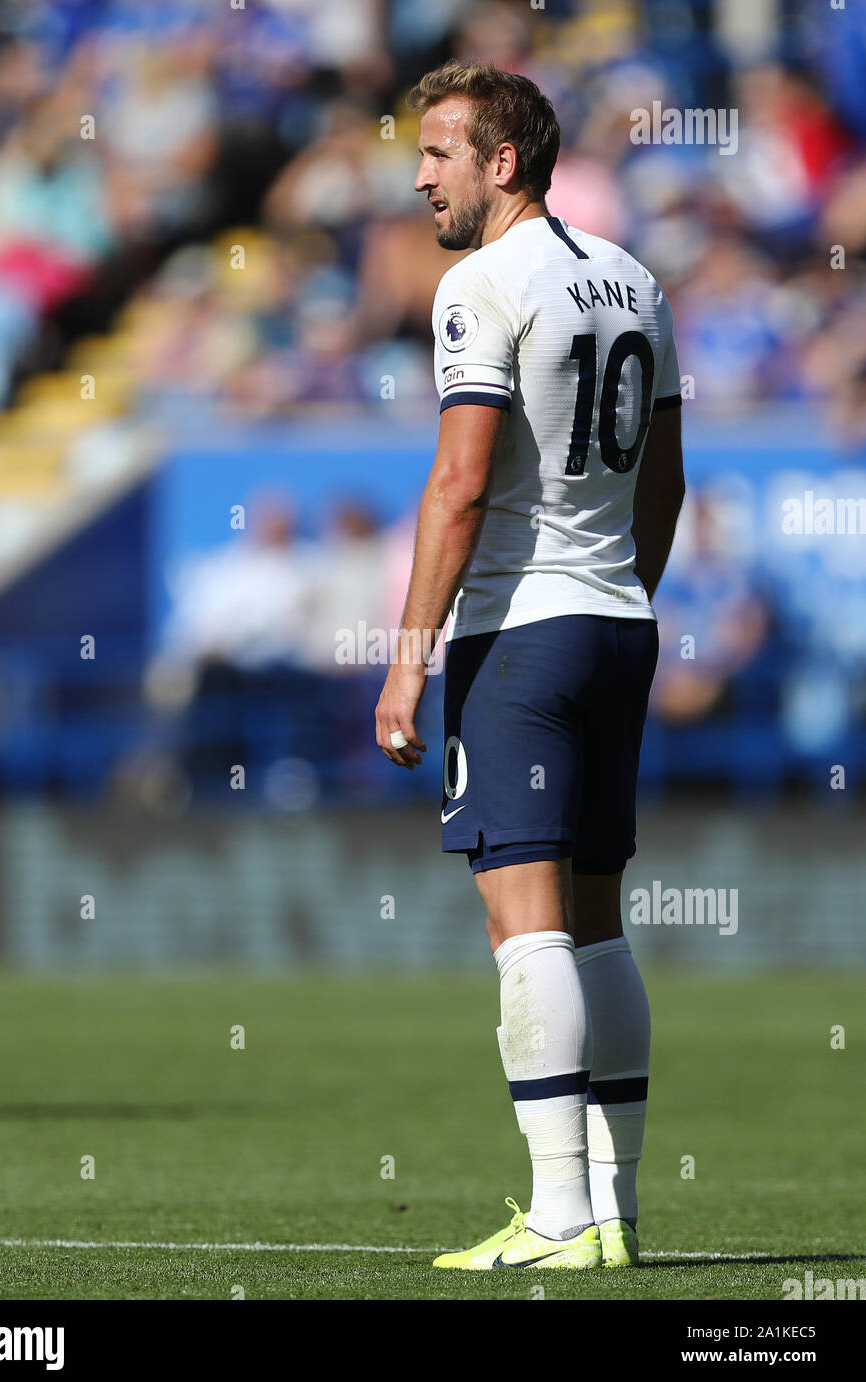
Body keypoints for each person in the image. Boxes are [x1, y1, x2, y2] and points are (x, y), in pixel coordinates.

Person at [374, 61, 685, 1271]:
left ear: (502, 162)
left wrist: (405, 664)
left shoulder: (480, 284)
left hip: (521, 631)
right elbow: (664, 479)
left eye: (438, 154)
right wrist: (625, 595)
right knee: (599, 925)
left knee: (524, 923)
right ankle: (613, 1214)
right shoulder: (634, 277)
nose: (418, 178)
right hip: (616, 624)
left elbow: (456, 485)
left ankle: (557, 1209)